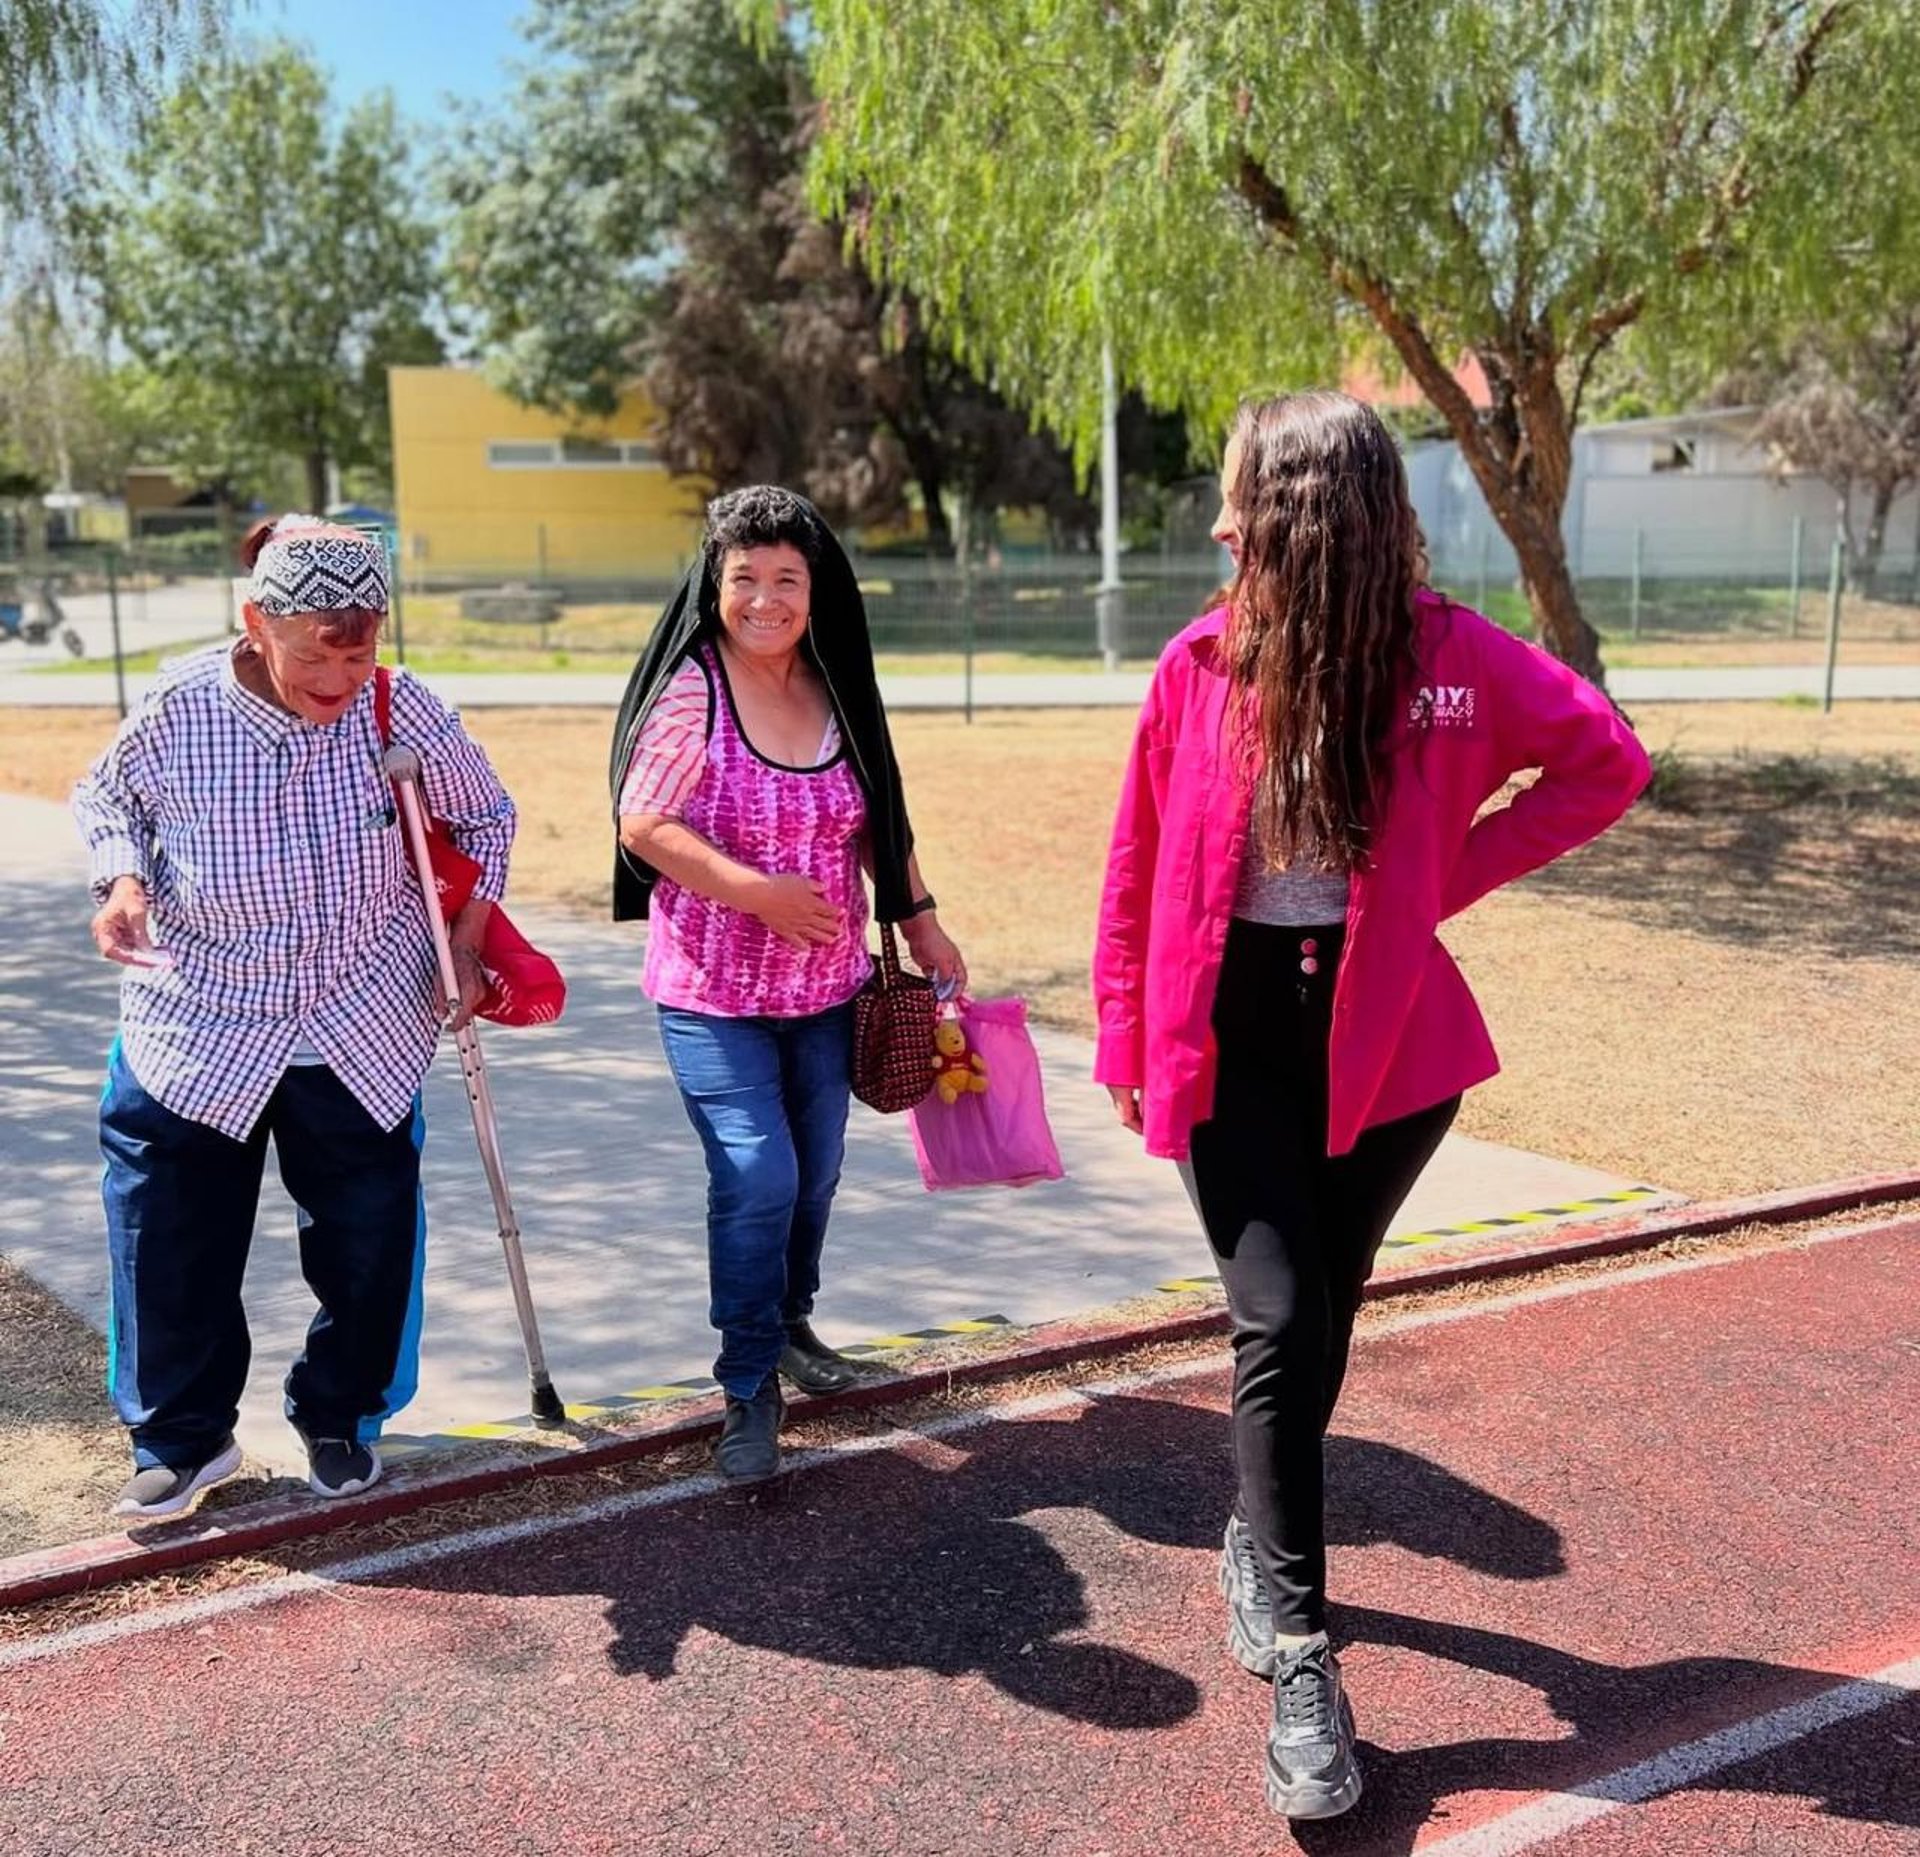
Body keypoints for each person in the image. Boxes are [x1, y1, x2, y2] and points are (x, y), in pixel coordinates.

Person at [1093, 392, 1650, 1821]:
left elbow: (1603, 760)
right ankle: (1299, 1658)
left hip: (1390, 1055)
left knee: (1320, 1319)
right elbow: (1139, 862)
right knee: (1276, 1318)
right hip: (1229, 1044)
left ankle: (1254, 1532)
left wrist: (1430, 884)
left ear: (1299, 512)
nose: (1217, 524)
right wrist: (1122, 1038)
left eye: (1235, 499)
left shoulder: (1448, 664)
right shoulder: (1195, 666)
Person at [73, 515, 516, 1519]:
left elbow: (486, 815)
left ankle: (341, 1416)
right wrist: (122, 880)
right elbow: (105, 799)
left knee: (368, 1244)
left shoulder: (404, 711)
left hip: (359, 1014)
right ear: (257, 622)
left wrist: (470, 935)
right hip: (199, 1015)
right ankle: (182, 1440)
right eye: (322, 651)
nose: (344, 679)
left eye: (362, 654)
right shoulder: (180, 707)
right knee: (168, 1236)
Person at [610, 485, 965, 1481]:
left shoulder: (835, 686)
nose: (764, 599)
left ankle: (792, 1324)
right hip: (710, 993)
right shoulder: (694, 691)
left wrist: (922, 924)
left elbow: (879, 821)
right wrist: (754, 893)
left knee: (812, 1177)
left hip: (827, 992)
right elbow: (644, 822)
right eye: (744, 579)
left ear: (818, 591)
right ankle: (748, 1384)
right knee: (757, 1174)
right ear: (713, 586)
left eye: (786, 580)